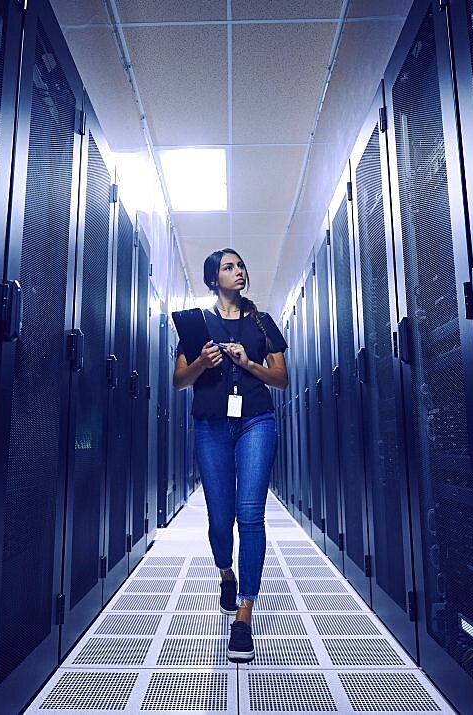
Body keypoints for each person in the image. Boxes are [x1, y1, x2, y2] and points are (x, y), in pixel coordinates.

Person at [172, 248, 289, 663]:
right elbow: (179, 381)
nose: (238, 271)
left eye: (241, 265)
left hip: (256, 420)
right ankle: (226, 571)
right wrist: (203, 363)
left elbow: (282, 379)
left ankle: (245, 613)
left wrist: (249, 361)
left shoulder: (262, 323)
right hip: (211, 425)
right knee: (220, 518)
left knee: (250, 515)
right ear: (212, 279)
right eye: (228, 267)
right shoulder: (195, 324)